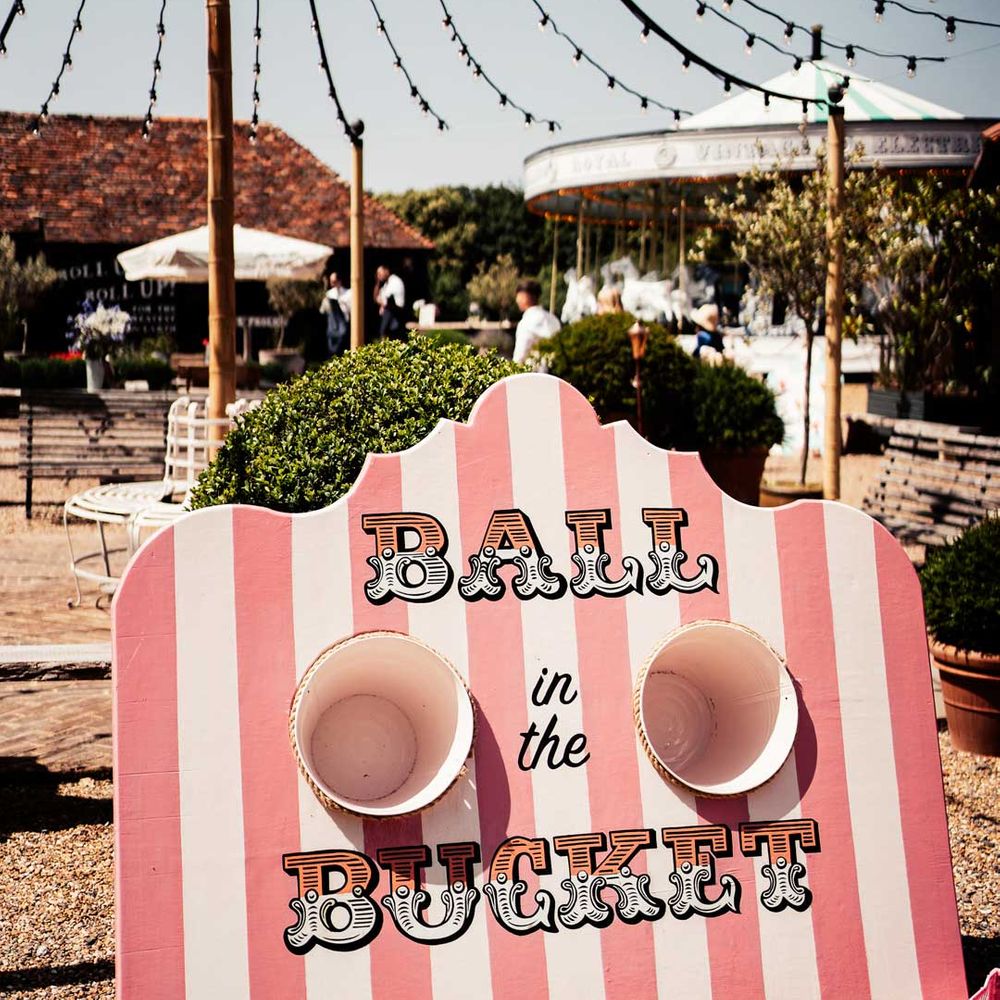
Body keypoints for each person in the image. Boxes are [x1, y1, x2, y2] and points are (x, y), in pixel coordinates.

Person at [513, 278, 561, 364]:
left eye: (518, 296)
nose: (516, 300)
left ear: (525, 297)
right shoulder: (553, 319)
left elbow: (519, 357)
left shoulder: (526, 322)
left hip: (534, 370)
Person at [319, 272, 351, 357]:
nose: (332, 284)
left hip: (343, 325)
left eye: (334, 281)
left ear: (339, 281)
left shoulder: (348, 293)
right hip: (332, 326)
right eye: (331, 282)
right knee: (332, 351)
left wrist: (342, 303)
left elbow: (352, 309)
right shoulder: (329, 294)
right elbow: (322, 310)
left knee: (342, 350)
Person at [374, 264, 406, 340]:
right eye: (377, 274)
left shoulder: (394, 281)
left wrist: (382, 304)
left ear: (387, 271)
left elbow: (386, 301)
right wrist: (377, 282)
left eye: (380, 273)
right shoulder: (386, 284)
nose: (378, 275)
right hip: (390, 313)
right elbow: (376, 298)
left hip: (396, 313)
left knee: (384, 332)